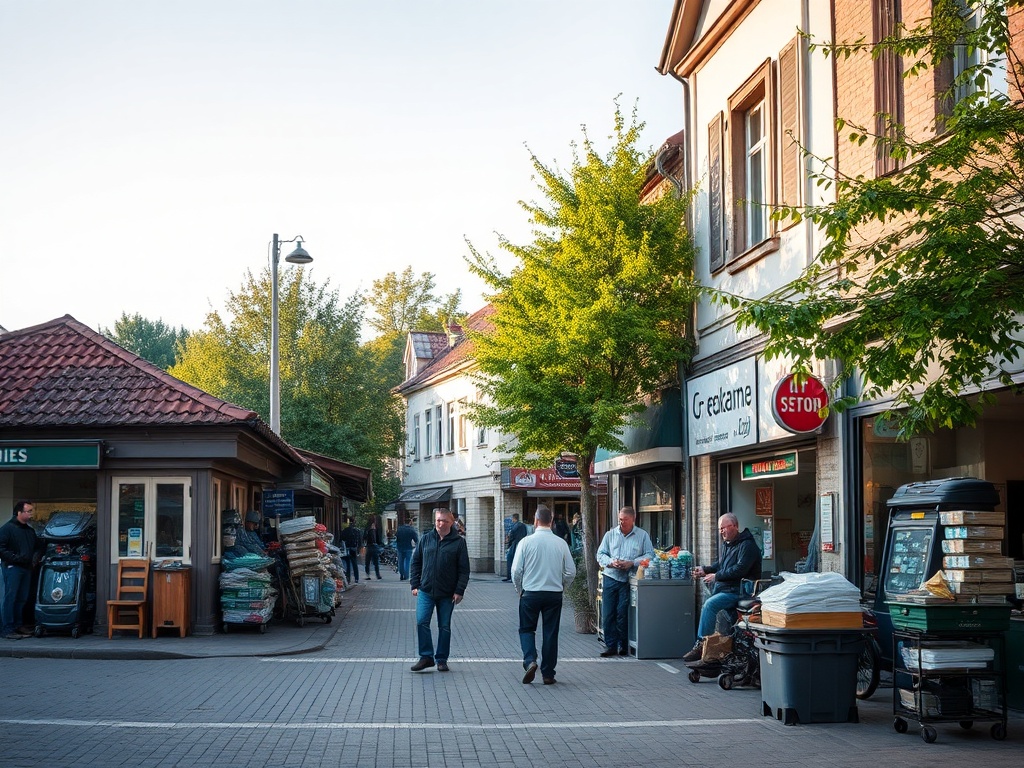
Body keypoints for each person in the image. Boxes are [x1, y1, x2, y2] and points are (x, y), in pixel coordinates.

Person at [684, 512, 763, 662]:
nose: (722, 532)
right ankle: (722, 652)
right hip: (727, 588)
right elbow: (722, 564)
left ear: (734, 526)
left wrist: (717, 576)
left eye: (723, 528)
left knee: (709, 605)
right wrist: (706, 570)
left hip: (739, 591)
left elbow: (740, 569)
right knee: (732, 624)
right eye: (720, 529)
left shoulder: (748, 545)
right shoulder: (728, 545)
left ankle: (701, 644)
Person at [511, 504, 575, 685]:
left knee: (526, 629)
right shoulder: (561, 543)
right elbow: (571, 571)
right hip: (553, 594)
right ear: (552, 521)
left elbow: (516, 570)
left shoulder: (525, 542)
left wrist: (519, 589)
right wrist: (562, 586)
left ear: (535, 520)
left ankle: (530, 660)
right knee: (550, 633)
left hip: (530, 593)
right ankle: (548, 674)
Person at [409, 507, 470, 673]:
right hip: (426, 590)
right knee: (422, 622)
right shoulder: (426, 539)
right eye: (438, 520)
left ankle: (441, 659)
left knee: (444, 626)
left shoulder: (458, 542)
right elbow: (416, 562)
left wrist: (459, 590)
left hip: (447, 593)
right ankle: (426, 657)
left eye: (444, 520)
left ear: (451, 522)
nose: (441, 523)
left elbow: (464, 569)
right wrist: (415, 584)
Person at [596, 506, 654, 657]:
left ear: (633, 519)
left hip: (628, 579)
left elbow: (650, 554)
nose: (622, 523)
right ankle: (610, 646)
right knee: (608, 613)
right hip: (611, 576)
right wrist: (611, 562)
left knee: (622, 612)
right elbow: (600, 554)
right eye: (620, 519)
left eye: (625, 520)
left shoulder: (642, 535)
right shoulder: (610, 535)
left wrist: (632, 562)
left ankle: (623, 645)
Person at [0, 501, 40, 640]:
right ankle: (7, 628)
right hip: (13, 568)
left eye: (30, 511)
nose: (30, 513)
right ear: (19, 512)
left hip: (26, 568)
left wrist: (34, 559)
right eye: (28, 511)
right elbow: (1, 548)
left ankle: (18, 625)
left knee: (22, 598)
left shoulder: (29, 531)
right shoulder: (7, 529)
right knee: (11, 598)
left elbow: (37, 546)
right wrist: (16, 558)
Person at [502, 513, 527, 582]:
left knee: (510, 559)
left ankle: (510, 576)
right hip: (522, 544)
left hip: (515, 545)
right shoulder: (523, 526)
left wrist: (508, 543)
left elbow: (511, 537)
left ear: (514, 518)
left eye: (512, 518)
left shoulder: (515, 527)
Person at [338, 518, 363, 584]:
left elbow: (341, 540)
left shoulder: (345, 531)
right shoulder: (357, 531)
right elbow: (360, 541)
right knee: (354, 564)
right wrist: (358, 549)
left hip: (346, 549)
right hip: (353, 549)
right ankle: (356, 579)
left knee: (347, 565)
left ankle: (348, 579)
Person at [394, 514, 419, 581]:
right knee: (407, 562)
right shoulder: (411, 530)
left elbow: (396, 537)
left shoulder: (399, 529)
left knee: (401, 561)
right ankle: (406, 576)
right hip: (408, 547)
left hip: (400, 547)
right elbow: (416, 539)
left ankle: (401, 574)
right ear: (410, 522)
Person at [364, 516, 384, 580]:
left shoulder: (367, 529)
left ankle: (368, 575)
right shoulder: (376, 529)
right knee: (376, 562)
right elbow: (379, 539)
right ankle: (377, 575)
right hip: (375, 547)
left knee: (367, 562)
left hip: (369, 547)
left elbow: (364, 537)